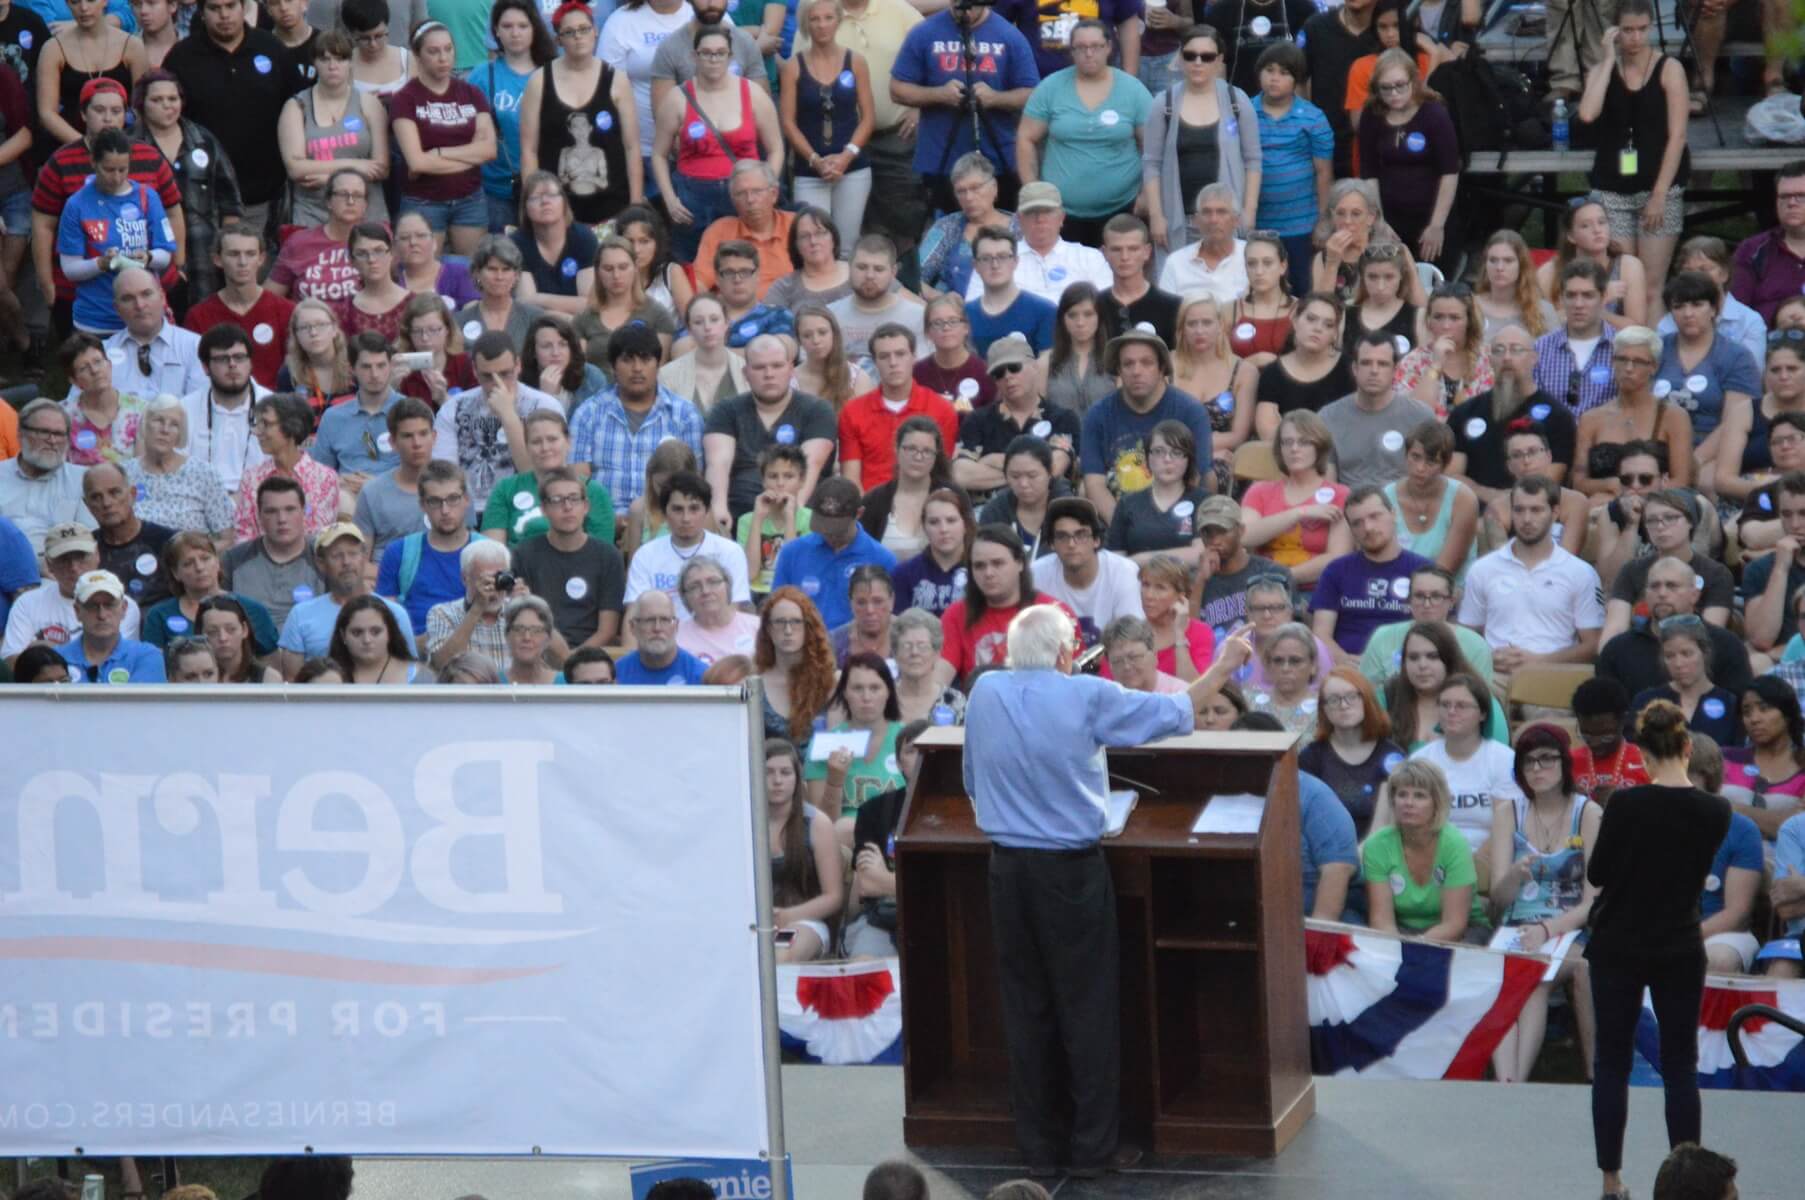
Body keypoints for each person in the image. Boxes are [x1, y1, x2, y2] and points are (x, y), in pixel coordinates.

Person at [964, 602, 1214, 1176]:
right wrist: (1221, 666)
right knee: (1087, 1009)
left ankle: (1037, 1148)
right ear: (1064, 652)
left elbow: (972, 780)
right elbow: (1174, 712)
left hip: (1006, 870)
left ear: (1008, 651)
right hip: (1069, 872)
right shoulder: (1083, 694)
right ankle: (1094, 1150)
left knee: (1025, 1009)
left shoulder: (983, 694)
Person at [1587, 700, 1730, 1200]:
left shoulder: (1625, 805)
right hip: (1679, 945)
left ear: (1642, 753)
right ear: (1688, 748)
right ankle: (1688, 1186)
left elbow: (1597, 874)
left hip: (1618, 945)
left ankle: (1611, 1181)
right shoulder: (1718, 809)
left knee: (1611, 1063)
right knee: (1679, 1065)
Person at [1487, 724, 1602, 1084]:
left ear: (1565, 763)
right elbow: (1497, 898)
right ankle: (1508, 1085)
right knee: (1509, 978)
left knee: (1535, 976)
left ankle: (1514, 1083)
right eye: (1528, 762)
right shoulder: (1510, 812)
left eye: (1546, 759)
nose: (1537, 769)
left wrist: (1546, 930)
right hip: (1516, 925)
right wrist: (1514, 877)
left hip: (1569, 928)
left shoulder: (1588, 814)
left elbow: (1593, 901)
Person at [1576, 1, 1688, 322]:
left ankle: (1651, 357)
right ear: (1615, 32)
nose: (1636, 37)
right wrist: (1608, 59)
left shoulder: (1669, 68)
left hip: (1659, 185)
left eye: (1642, 29)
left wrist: (1659, 194)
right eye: (1628, 30)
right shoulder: (1603, 70)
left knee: (1652, 285)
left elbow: (1678, 135)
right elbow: (1586, 113)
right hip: (1614, 187)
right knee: (1620, 283)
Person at [1457, 476, 1605, 694]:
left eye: (1536, 510)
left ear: (1554, 513)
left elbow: (1593, 645)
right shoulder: (1483, 569)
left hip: (1552, 675)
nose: (1526, 519)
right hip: (1494, 675)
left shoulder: (1580, 573)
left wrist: (1540, 661)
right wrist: (1488, 657)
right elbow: (1467, 634)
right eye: (1519, 510)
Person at [163, 0, 298, 237]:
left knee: (255, 270)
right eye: (214, 8)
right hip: (202, 196)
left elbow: (298, 108)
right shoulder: (181, 58)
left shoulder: (272, 48)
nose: (224, 15)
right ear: (202, 13)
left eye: (230, 6)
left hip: (265, 194)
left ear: (243, 7)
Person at [1141, 24, 1259, 255]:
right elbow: (1151, 163)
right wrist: (1156, 216)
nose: (1198, 62)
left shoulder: (1238, 100)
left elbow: (1253, 160)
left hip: (1227, 220)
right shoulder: (1163, 103)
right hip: (1178, 220)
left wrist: (1249, 210)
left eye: (1206, 57)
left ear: (1219, 60)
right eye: (1190, 55)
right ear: (1180, 58)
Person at [519, 2, 638, 229]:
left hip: (612, 206)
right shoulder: (539, 82)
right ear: (558, 40)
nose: (578, 37)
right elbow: (529, 151)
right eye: (569, 32)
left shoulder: (617, 80)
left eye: (584, 29)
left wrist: (635, 206)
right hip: (557, 211)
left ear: (596, 31)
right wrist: (532, 203)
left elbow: (631, 147)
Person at [1079, 325, 1214, 526]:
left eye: (1146, 363)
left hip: (1177, 514)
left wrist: (1159, 527)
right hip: (1119, 517)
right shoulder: (1097, 415)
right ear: (1118, 370)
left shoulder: (1190, 411)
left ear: (1162, 369)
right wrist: (1123, 527)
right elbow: (1094, 483)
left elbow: (1196, 478)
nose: (1136, 371)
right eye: (1128, 364)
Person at [131, 69, 242, 305]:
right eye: (157, 100)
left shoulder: (203, 140)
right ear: (142, 104)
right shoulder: (131, 146)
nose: (167, 106)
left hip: (206, 253)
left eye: (173, 99)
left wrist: (226, 246)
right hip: (152, 253)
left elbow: (230, 201)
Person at [389, 20, 495, 257]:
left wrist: (438, 153)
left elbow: (488, 150)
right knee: (422, 275)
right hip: (423, 201)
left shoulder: (472, 93)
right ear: (417, 55)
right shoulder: (405, 99)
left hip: (470, 199)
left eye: (448, 49)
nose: (443, 58)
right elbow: (417, 163)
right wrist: (471, 155)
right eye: (433, 51)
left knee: (472, 274)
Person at [703, 335, 834, 525]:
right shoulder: (725, 411)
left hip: (802, 521)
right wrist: (718, 510)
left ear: (791, 369)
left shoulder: (817, 410)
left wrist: (791, 514)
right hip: (737, 519)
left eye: (777, 366)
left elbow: (809, 464)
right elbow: (718, 464)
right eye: (759, 367)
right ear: (745, 373)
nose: (769, 374)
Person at [56, 129, 176, 335]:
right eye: (109, 169)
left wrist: (148, 257)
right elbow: (70, 269)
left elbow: (165, 255)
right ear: (93, 162)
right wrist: (101, 263)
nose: (117, 177)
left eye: (123, 169)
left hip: (145, 317)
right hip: (97, 319)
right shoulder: (76, 205)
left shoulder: (148, 197)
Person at [776, 0, 875, 249]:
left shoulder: (856, 62)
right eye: (815, 19)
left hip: (852, 167)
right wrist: (814, 160)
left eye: (828, 18)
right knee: (813, 243)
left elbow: (868, 117)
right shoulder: (793, 66)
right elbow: (788, 122)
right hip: (809, 170)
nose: (822, 25)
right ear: (806, 24)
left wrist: (846, 156)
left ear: (838, 20)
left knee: (847, 244)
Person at [1448, 325, 1577, 504]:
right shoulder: (1464, 414)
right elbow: (1452, 477)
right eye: (1499, 351)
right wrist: (1491, 496)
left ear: (1534, 358)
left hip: (1534, 512)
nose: (1507, 358)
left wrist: (1508, 502)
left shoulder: (1558, 416)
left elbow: (1551, 480)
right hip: (1474, 512)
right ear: (1490, 359)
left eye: (1516, 350)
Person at [277, 30, 389, 231]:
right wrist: (357, 165)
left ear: (351, 62)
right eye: (325, 59)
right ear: (314, 63)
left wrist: (328, 178)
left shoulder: (369, 104)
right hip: (312, 215)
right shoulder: (296, 107)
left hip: (366, 214)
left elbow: (381, 168)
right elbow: (296, 168)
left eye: (340, 59)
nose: (332, 66)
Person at [1363, 757, 1483, 942]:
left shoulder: (1455, 843)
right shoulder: (1377, 845)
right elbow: (1382, 921)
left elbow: (1454, 924)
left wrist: (1416, 950)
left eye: (1419, 795)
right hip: (1401, 931)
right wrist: (1400, 950)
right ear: (1393, 801)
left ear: (1437, 803)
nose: (1408, 803)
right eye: (1402, 794)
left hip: (1462, 932)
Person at [1355, 49, 1456, 266]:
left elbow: (1449, 172)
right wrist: (1378, 222)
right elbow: (1369, 173)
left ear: (1413, 81)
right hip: (1390, 216)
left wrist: (1437, 225)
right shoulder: (1372, 115)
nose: (1394, 93)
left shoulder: (1433, 113)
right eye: (1386, 88)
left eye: (1400, 85)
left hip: (1431, 214)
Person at [273, 520, 414, 674]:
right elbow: (293, 682)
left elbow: (409, 674)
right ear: (321, 563)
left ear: (364, 557)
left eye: (353, 553)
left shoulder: (394, 613)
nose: (346, 562)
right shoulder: (300, 615)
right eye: (337, 556)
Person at [1571, 326, 1694, 499]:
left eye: (1638, 361)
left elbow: (1681, 480)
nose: (1628, 368)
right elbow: (1578, 481)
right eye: (1622, 359)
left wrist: (1641, 496)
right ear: (1613, 362)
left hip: (1659, 505)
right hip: (1604, 505)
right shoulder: (1591, 419)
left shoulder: (1674, 417)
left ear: (1654, 367)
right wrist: (1610, 485)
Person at [1309, 487, 1430, 659]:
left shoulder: (1423, 571)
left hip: (1405, 667)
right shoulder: (1336, 571)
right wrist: (1345, 662)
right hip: (1346, 669)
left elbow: (1434, 632)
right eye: (1357, 523)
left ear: (1393, 514)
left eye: (1375, 516)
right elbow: (1321, 635)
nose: (1368, 527)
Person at [1248, 44, 1330, 297]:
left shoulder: (1313, 118)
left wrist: (1323, 220)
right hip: (1258, 225)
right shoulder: (1244, 112)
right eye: (1269, 70)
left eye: (1284, 72)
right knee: (1261, 290)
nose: (1274, 78)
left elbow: (1324, 172)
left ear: (1297, 79)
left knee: (1303, 290)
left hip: (1301, 226)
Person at [2, 522, 145, 663]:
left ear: (97, 555)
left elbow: (117, 661)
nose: (74, 567)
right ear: (49, 564)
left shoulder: (121, 604)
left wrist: (50, 654)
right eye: (64, 559)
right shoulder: (27, 603)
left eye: (81, 556)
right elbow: (11, 661)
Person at [468, 0, 553, 234]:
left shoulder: (553, 73)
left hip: (546, 188)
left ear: (534, 28)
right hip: (497, 190)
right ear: (496, 31)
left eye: (522, 26)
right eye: (507, 26)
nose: (515, 33)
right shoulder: (482, 76)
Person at [1238, 410, 1350, 588]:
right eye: (1287, 442)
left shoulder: (1340, 494)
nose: (1294, 449)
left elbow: (1337, 558)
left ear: (1319, 447)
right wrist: (1299, 513)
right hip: (1263, 592)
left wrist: (1284, 577)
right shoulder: (1260, 491)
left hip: (1316, 590)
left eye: (1304, 442)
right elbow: (1243, 536)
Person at [768, 476, 895, 630]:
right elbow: (776, 608)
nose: (829, 534)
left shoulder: (882, 559)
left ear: (859, 513)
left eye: (837, 529)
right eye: (823, 526)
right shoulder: (792, 553)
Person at [1653, 272, 1760, 455]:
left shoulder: (1737, 357)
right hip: (1654, 447)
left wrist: (1696, 460)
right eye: (1679, 307)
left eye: (1697, 305)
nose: (1688, 314)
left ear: (1713, 309)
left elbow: (1734, 423)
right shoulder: (1655, 349)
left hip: (1712, 452)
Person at [624, 470, 753, 618]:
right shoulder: (645, 555)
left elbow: (734, 611)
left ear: (707, 511)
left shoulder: (730, 551)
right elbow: (634, 614)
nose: (686, 518)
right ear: (665, 513)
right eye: (678, 509)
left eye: (694, 509)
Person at [181, 225, 294, 389]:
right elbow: (195, 373)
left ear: (261, 259)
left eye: (250, 254)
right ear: (217, 259)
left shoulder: (286, 311)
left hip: (275, 406)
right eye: (234, 254)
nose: (242, 262)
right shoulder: (199, 316)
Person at [1318, 333, 1435, 491]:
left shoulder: (1421, 417)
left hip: (1405, 506)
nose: (1374, 371)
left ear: (1395, 370)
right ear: (1355, 368)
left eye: (1382, 364)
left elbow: (1431, 480)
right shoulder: (1328, 417)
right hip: (1349, 508)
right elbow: (1327, 486)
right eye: (1366, 363)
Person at [763, 734, 844, 962]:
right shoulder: (743, 823)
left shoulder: (817, 823)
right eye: (768, 772)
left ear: (797, 779)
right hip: (753, 922)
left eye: (785, 773)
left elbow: (833, 897)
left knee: (779, 956)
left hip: (805, 920)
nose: (777, 780)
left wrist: (788, 916)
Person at [373, 459, 473, 641]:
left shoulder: (488, 552)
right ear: (422, 505)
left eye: (453, 499)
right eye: (435, 501)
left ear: (466, 500)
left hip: (474, 654)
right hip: (416, 654)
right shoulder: (399, 553)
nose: (445, 510)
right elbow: (385, 620)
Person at [1299, 666, 1403, 839]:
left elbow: (1392, 825)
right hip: (1325, 854)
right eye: (1333, 699)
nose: (1343, 705)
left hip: (1379, 854)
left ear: (1366, 700)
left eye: (1351, 697)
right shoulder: (1311, 758)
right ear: (1323, 709)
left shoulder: (1391, 756)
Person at [122, 394, 232, 540]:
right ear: (145, 424)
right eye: (159, 420)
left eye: (174, 424)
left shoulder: (204, 474)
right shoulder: (123, 474)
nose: (165, 430)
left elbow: (227, 539)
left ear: (181, 434)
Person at [218, 477, 324, 628]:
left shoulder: (323, 555)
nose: (281, 519)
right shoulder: (233, 559)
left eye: (290, 509)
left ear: (304, 511)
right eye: (271, 511)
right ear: (259, 516)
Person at [235, 392, 337, 542]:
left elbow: (320, 536)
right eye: (258, 424)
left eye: (266, 424)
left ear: (291, 427)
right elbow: (244, 536)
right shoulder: (251, 478)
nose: (258, 432)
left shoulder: (324, 478)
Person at [1251, 292, 1350, 439]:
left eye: (1328, 325)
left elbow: (1352, 425)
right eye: (1311, 319)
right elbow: (1267, 431)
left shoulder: (1349, 369)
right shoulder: (1272, 373)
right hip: (1287, 455)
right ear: (1295, 320)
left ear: (1335, 334)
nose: (1318, 328)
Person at [571, 234, 676, 372]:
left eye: (623, 267)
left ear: (635, 268)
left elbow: (658, 369)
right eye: (608, 269)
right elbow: (579, 370)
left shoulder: (658, 315)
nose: (616, 276)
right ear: (598, 272)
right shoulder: (583, 319)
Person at [81, 461, 174, 606]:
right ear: (87, 505)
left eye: (114, 492)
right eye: (96, 497)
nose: (106, 503)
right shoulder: (84, 550)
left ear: (132, 494)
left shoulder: (167, 542)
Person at [1722, 677, 1805, 837]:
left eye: (1765, 709)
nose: (1754, 719)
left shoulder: (1803, 765)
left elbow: (1798, 830)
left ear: (1787, 713)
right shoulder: (1724, 758)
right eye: (1747, 712)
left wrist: (1731, 808)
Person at [754, 584, 838, 739]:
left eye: (796, 622)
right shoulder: (754, 685)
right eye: (779, 622)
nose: (788, 630)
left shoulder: (832, 681)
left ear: (808, 628)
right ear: (768, 629)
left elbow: (836, 736)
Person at [57, 568, 165, 682]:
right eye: (92, 606)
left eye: (109, 605)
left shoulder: (147, 656)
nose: (102, 615)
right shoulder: (56, 658)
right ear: (77, 611)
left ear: (124, 609)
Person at [423, 537, 513, 674]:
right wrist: (476, 609)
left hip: (514, 692)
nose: (494, 587)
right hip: (465, 693)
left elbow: (555, 661)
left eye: (499, 579)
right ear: (465, 578)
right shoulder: (442, 613)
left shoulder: (518, 613)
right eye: (486, 581)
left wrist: (531, 607)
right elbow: (441, 665)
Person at [60, 331, 144, 467]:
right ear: (74, 381)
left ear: (109, 365)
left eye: (98, 362)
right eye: (83, 368)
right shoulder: (62, 416)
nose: (94, 370)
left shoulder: (140, 410)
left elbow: (144, 468)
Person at [676, 554, 761, 664]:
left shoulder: (757, 627)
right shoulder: (677, 638)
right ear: (685, 597)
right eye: (695, 586)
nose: (705, 591)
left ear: (728, 586)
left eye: (713, 582)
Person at [327, 591, 426, 682]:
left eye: (375, 632)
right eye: (357, 633)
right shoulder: (325, 678)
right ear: (343, 636)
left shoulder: (419, 676)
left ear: (390, 632)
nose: (367, 640)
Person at [1475, 231, 1558, 340]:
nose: (1499, 267)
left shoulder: (1543, 311)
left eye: (1508, 261)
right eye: (1493, 260)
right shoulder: (1470, 308)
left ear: (1521, 265)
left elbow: (1558, 353)